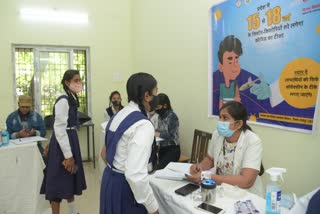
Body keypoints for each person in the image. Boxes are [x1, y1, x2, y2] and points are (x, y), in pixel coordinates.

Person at [100, 72, 159, 214]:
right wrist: (152, 208)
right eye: (156, 91)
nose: (157, 96)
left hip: (109, 182)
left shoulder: (119, 115)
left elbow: (104, 153)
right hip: (126, 189)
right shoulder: (143, 125)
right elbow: (135, 175)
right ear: (146, 96)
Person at [186, 101, 264, 197]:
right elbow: (210, 159)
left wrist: (207, 176)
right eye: (220, 117)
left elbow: (246, 181)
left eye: (225, 118)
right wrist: (200, 167)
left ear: (239, 124)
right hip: (222, 191)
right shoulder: (217, 134)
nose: (220, 121)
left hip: (245, 195)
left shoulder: (252, 141)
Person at [40, 69, 86, 214]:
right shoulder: (63, 100)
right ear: (67, 83)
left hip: (69, 140)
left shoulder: (71, 97)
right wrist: (68, 156)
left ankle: (73, 212)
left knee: (69, 179)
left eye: (80, 80)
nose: (79, 83)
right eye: (76, 80)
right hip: (63, 146)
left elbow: (59, 128)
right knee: (57, 182)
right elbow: (59, 128)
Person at [154, 93, 180, 169]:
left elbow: (172, 136)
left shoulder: (172, 116)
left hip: (172, 149)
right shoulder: (160, 116)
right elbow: (159, 131)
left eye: (158, 107)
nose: (156, 109)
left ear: (165, 106)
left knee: (159, 169)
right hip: (162, 148)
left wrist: (157, 134)